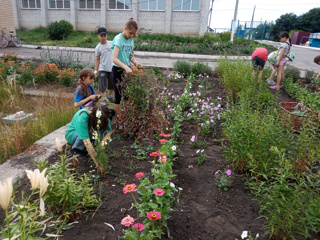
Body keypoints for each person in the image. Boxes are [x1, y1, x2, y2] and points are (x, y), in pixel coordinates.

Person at [65, 105, 114, 172]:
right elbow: (86, 140)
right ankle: (75, 149)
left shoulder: (104, 115)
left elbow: (109, 132)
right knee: (88, 133)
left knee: (101, 128)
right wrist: (97, 162)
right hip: (73, 134)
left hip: (88, 133)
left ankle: (88, 149)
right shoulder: (83, 117)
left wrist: (100, 146)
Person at [111, 18, 143, 117]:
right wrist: (125, 67)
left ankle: (125, 117)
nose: (132, 35)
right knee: (118, 96)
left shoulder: (131, 40)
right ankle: (118, 118)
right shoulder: (118, 39)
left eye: (134, 34)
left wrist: (136, 63)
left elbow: (130, 55)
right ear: (125, 28)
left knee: (127, 95)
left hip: (127, 70)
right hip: (118, 70)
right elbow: (114, 59)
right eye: (130, 33)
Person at [94, 27, 114, 104]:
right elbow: (97, 59)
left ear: (107, 35)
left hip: (111, 67)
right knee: (102, 84)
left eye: (104, 35)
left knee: (111, 83)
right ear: (98, 36)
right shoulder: (98, 48)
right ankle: (104, 98)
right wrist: (96, 70)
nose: (103, 37)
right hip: (103, 68)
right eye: (101, 36)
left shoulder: (111, 43)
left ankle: (110, 95)